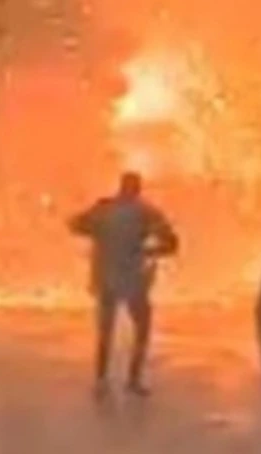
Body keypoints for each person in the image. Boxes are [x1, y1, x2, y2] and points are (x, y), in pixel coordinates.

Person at [68, 170, 179, 397]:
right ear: (138, 189)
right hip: (133, 278)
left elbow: (75, 225)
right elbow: (171, 243)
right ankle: (133, 380)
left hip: (105, 277)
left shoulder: (104, 209)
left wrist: (96, 232)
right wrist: (149, 251)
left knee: (105, 330)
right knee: (142, 328)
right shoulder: (145, 212)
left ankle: (101, 380)